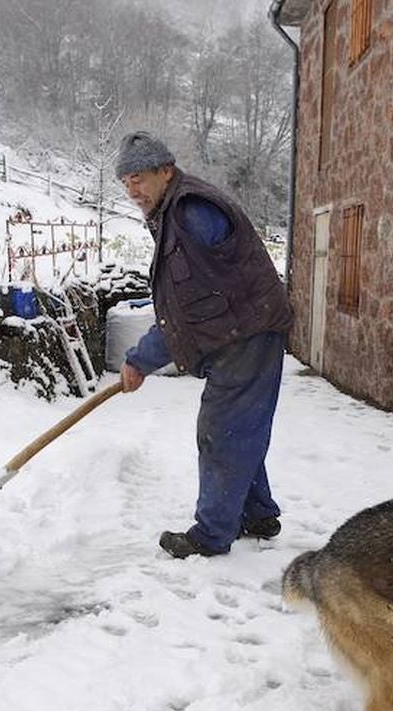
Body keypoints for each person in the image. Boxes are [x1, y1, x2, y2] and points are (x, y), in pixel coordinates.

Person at [115, 131, 294, 559]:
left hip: (244, 336)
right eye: (125, 182)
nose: (132, 190)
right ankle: (257, 514)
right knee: (239, 428)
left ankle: (212, 535)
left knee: (221, 431)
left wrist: (141, 360)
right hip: (243, 333)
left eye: (138, 177)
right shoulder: (178, 210)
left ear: (165, 170)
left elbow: (188, 304)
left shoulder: (191, 212)